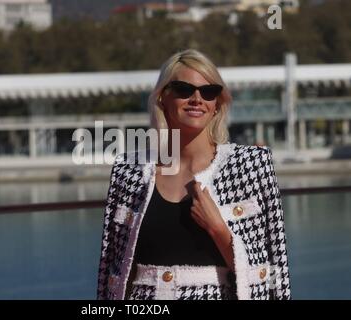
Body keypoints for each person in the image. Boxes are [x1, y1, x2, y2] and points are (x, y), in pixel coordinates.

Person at [97, 49, 291, 300]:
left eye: (209, 91)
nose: (197, 98)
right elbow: (111, 268)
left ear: (217, 104)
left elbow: (276, 269)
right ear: (162, 99)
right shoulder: (128, 170)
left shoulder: (252, 165)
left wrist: (219, 230)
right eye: (183, 89)